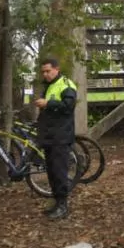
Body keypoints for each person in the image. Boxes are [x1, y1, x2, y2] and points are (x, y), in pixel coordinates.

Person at [33, 57, 78, 220]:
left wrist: (47, 104)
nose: (45, 74)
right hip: (49, 136)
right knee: (51, 172)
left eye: (48, 71)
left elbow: (68, 106)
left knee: (59, 172)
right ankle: (57, 202)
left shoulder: (66, 84)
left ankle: (63, 205)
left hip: (60, 136)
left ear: (56, 69)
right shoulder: (49, 86)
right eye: (43, 72)